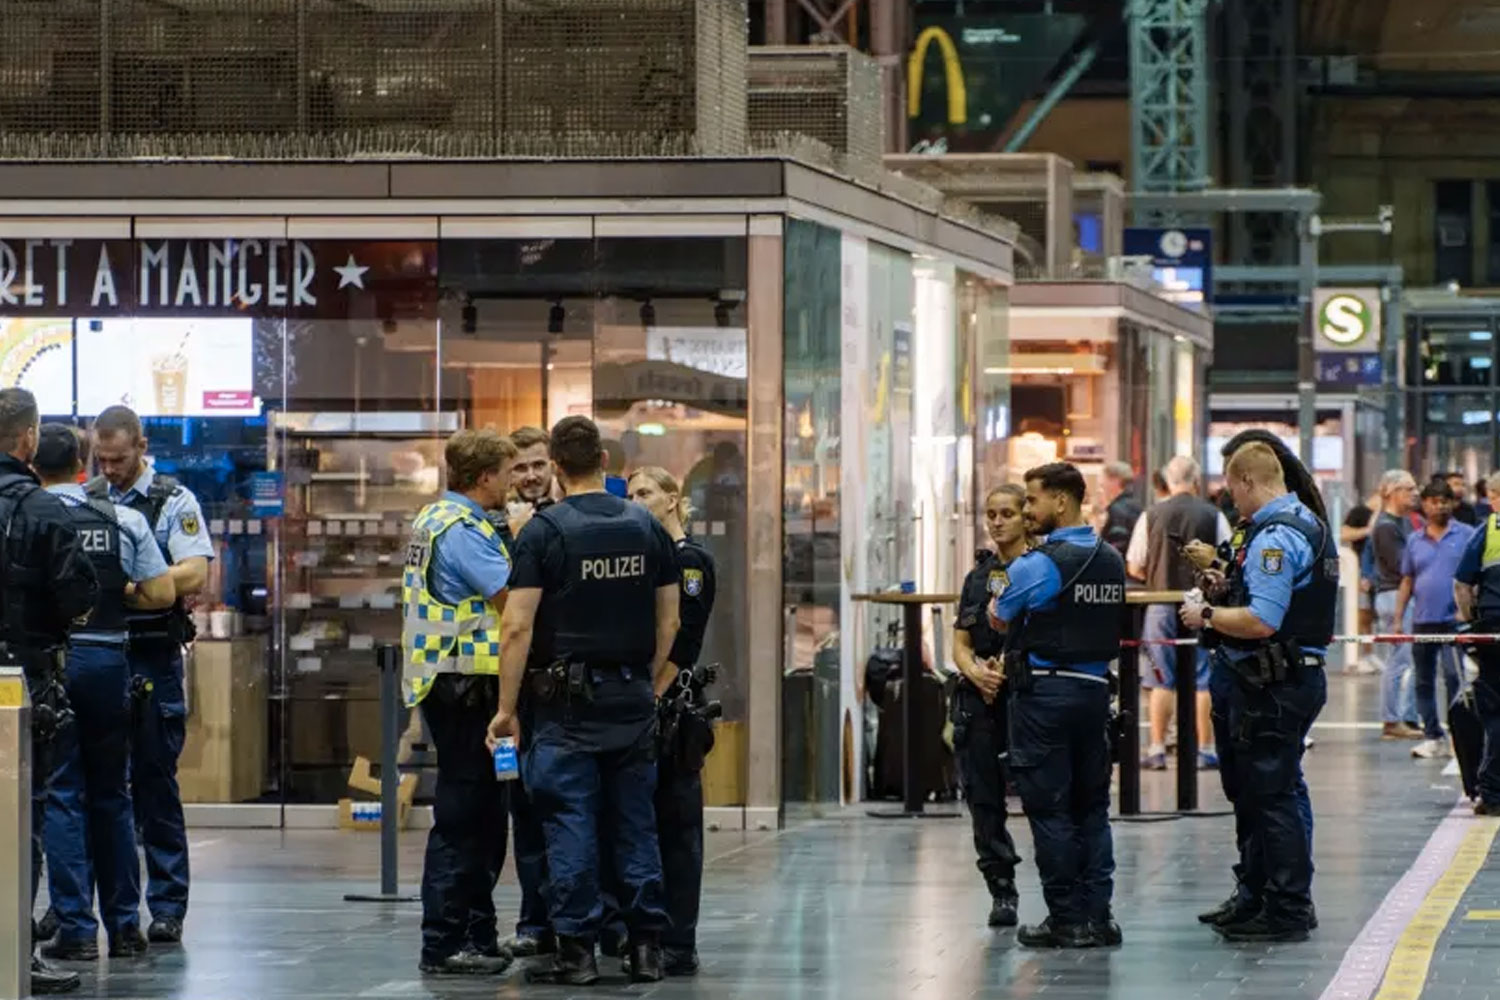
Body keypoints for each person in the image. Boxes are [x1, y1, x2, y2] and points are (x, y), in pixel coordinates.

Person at [486, 416, 678, 984]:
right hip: (631, 697)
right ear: (605, 463)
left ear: (559, 470)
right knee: (635, 822)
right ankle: (646, 947)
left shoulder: (544, 532)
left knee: (569, 822)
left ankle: (577, 953)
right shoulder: (646, 526)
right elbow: (670, 619)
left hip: (565, 704)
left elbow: (516, 626)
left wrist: (506, 708)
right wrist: (644, 676)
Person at [1181, 442, 1334, 943]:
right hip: (1265, 680)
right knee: (1257, 792)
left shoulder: (1276, 537)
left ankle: (1286, 905)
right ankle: (1257, 893)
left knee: (1272, 795)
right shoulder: (1296, 525)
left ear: (1247, 481)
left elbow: (1262, 620)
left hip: (1272, 683)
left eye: (1231, 488)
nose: (1231, 500)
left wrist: (1205, 614)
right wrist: (1225, 584)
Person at [35, 425, 174, 962]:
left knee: (64, 795)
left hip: (54, 661)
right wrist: (118, 597)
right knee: (114, 793)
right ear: (82, 464)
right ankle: (124, 927)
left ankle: (75, 929)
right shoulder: (123, 518)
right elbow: (162, 593)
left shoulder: (30, 516)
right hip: (109, 658)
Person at [85, 406, 211, 945]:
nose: (109, 469)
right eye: (102, 459)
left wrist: (134, 584)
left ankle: (166, 905)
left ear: (141, 445)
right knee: (98, 787)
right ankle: (95, 906)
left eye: (118, 458)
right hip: (98, 653)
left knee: (156, 783)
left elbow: (194, 571)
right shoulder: (86, 499)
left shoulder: (172, 500)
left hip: (152, 654)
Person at [989, 462, 1126, 949]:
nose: (1027, 511)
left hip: (1044, 697)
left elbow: (999, 615)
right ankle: (1100, 916)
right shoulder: (1111, 559)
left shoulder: (1039, 563)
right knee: (1092, 808)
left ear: (1061, 502)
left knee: (1050, 810)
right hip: (1093, 695)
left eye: (1032, 500)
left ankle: (1066, 918)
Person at [402, 430, 518, 976]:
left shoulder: (433, 519)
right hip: (466, 685)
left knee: (482, 815)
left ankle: (475, 934)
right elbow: (511, 601)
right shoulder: (464, 530)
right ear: (484, 476)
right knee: (466, 817)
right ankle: (446, 942)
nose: (514, 481)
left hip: (450, 682)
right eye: (508, 471)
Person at [0, 390, 98, 995]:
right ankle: (15, 951)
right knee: (21, 818)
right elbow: (77, 596)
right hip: (22, 680)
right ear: (28, 438)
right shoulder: (40, 510)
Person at [625, 466, 718, 975]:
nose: (636, 501)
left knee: (679, 829)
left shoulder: (689, 562)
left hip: (674, 707)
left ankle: (680, 940)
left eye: (646, 493)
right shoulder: (642, 559)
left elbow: (685, 636)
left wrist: (655, 691)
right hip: (638, 704)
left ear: (672, 499)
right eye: (630, 493)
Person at [951, 485, 1027, 929]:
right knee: (984, 801)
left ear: (1024, 518)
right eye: (991, 514)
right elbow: (960, 639)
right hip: (980, 696)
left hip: (1025, 696)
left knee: (1042, 797)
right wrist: (974, 671)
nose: (998, 522)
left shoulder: (1040, 569)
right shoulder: (979, 577)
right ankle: (1001, 890)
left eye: (1007, 514)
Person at [1126, 456, 1231, 771]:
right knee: (1203, 678)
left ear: (1167, 482)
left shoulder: (1151, 515)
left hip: (1159, 602)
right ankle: (1205, 749)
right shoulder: (1214, 515)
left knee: (1160, 677)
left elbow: (1134, 564)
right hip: (1200, 603)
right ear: (1196, 481)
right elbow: (1226, 563)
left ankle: (1157, 748)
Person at [501, 425, 555, 960]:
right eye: (520, 468)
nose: (531, 475)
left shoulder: (575, 518)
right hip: (518, 691)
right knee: (526, 810)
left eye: (537, 464)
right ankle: (535, 921)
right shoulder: (495, 526)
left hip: (568, 685)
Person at [1394, 480, 1473, 760]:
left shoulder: (1467, 535)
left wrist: (1469, 612)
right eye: (1434, 501)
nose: (1439, 506)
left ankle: (1457, 736)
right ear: (1424, 504)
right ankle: (1432, 736)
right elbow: (1407, 580)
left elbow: (1474, 578)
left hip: (1454, 622)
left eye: (1445, 501)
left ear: (1452, 504)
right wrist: (1398, 618)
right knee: (1423, 682)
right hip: (1423, 621)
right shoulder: (1415, 540)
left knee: (1455, 678)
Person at [1455, 470, 1500, 814]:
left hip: (1492, 629)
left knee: (1495, 710)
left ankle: (1494, 793)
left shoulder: (1488, 531)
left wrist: (1471, 620)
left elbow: (1462, 585)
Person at [1371, 470, 1422, 740]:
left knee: (1407, 660)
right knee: (1400, 661)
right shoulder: (1386, 527)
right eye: (1409, 489)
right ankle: (1393, 719)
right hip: (1395, 597)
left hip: (1401, 596)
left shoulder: (1401, 523)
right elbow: (1403, 567)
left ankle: (1408, 716)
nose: (1414, 494)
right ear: (1392, 492)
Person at [1340, 489, 1382, 675]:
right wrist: (1368, 530)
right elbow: (1344, 534)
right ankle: (1356, 656)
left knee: (1369, 615)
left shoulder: (1385, 516)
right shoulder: (1359, 512)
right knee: (1360, 613)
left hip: (1377, 570)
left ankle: (1368, 653)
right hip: (1358, 568)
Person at [1098, 460, 1141, 559]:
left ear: (1115, 481)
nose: (1102, 487)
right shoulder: (1135, 505)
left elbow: (1117, 545)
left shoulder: (1118, 510)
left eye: (1103, 483)